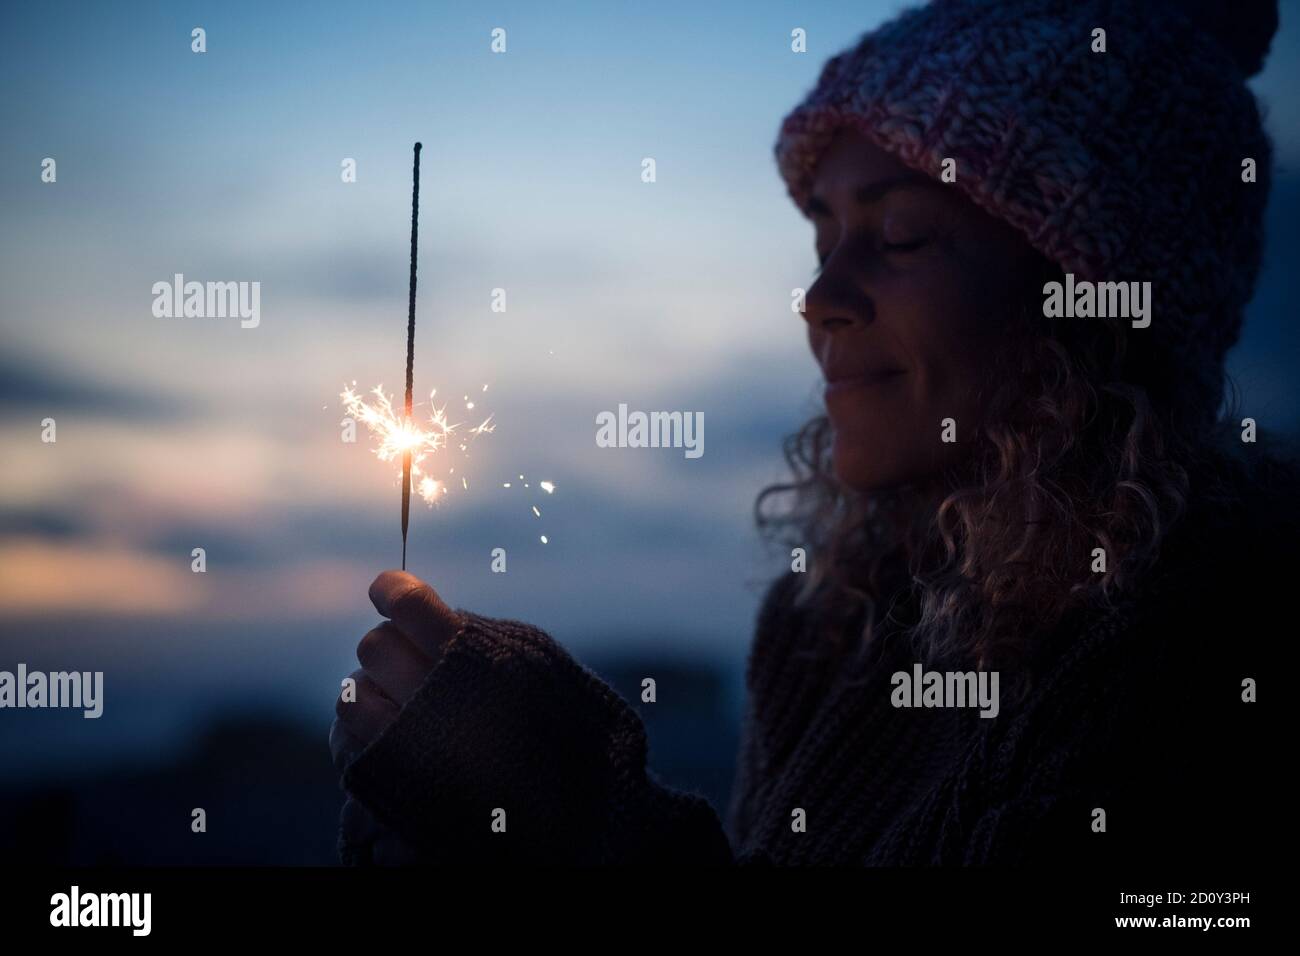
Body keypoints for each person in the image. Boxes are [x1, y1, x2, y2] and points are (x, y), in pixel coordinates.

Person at [329, 0, 1294, 865]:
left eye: (902, 237)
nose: (822, 299)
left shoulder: (1200, 660)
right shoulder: (829, 620)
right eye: (823, 240)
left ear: (1088, 300)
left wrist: (564, 809)